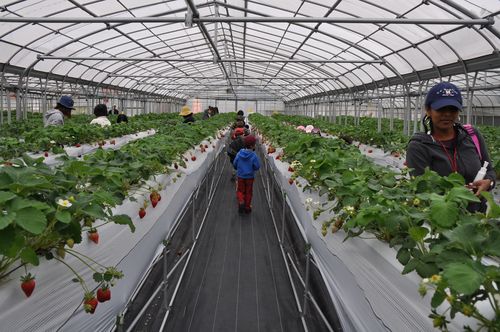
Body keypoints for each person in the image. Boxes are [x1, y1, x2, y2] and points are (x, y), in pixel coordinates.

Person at [406, 82, 495, 212]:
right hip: (442, 222)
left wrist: (489, 183)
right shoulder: (419, 146)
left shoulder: (472, 135)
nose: (447, 114)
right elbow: (421, 191)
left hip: (477, 220)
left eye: (452, 109)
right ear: (428, 110)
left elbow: (490, 171)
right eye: (441, 109)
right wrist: (454, 195)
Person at [233, 135, 260, 214]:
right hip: (249, 177)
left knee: (240, 190)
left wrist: (237, 168)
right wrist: (253, 169)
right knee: (249, 192)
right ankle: (247, 207)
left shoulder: (239, 153)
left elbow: (235, 163)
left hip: (240, 176)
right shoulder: (253, 155)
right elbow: (257, 166)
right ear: (252, 146)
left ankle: (241, 201)